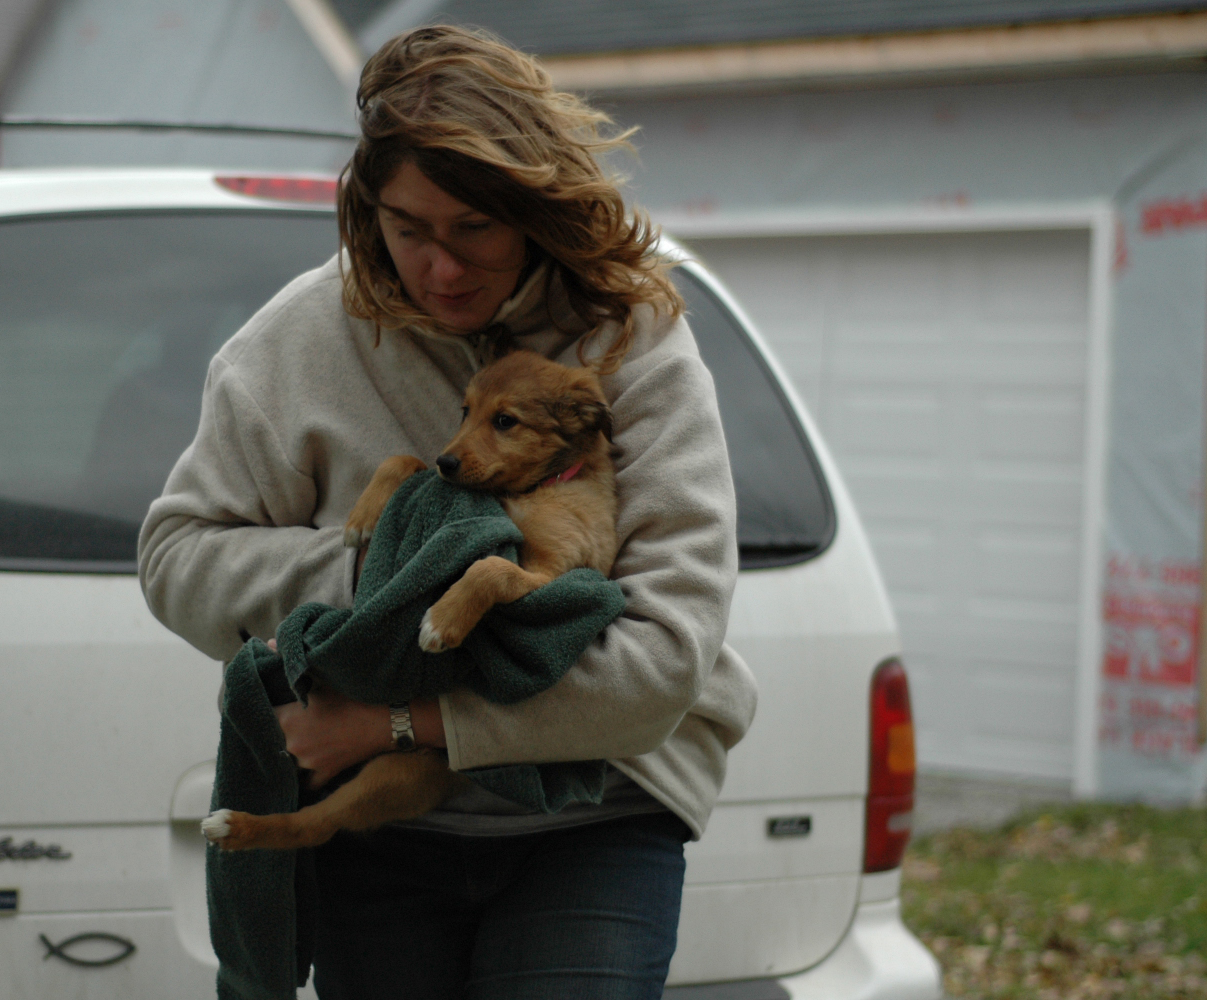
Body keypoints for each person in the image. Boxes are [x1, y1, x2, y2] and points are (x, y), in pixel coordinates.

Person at [139, 24, 757, 1000]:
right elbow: (177, 557)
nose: (441, 268)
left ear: (535, 207)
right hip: (380, 828)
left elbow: (663, 663)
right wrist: (383, 572)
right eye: (408, 227)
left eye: (475, 228)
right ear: (367, 208)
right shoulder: (300, 339)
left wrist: (402, 721)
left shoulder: (629, 340)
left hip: (596, 810)